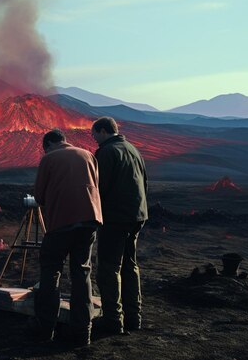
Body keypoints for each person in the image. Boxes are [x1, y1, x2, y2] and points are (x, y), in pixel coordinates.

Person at [33, 129, 103, 347]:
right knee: (82, 273)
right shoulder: (88, 155)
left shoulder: (49, 158)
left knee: (51, 271)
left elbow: (39, 196)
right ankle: (83, 333)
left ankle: (45, 330)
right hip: (90, 220)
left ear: (50, 144)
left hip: (62, 222)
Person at [91, 117, 148, 334]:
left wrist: (95, 214)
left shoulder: (107, 152)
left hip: (115, 219)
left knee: (109, 268)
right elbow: (144, 181)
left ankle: (113, 321)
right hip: (136, 216)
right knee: (130, 266)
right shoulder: (132, 149)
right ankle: (134, 318)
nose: (94, 139)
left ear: (103, 131)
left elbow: (99, 187)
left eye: (94, 134)